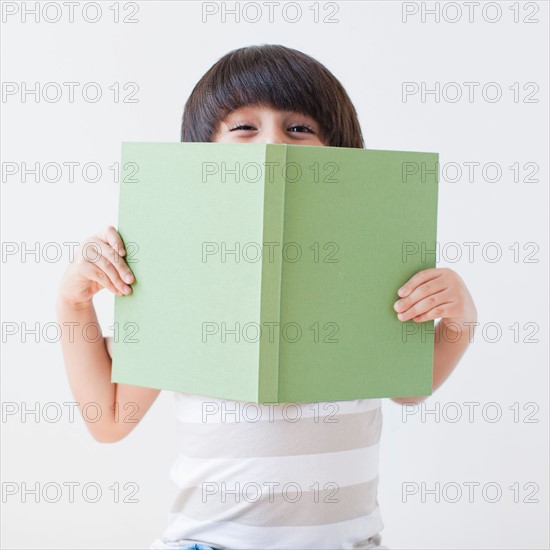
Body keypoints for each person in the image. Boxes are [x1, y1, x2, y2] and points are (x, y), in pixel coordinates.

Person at [56, 44, 477, 550]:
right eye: (243, 127)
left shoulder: (374, 258)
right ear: (203, 153)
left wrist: (459, 319)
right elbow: (109, 420)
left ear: (339, 151)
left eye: (299, 128)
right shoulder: (177, 270)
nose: (273, 144)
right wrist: (73, 304)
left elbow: (410, 386)